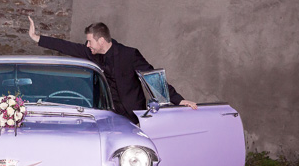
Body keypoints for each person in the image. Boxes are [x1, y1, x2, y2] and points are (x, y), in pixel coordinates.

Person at [28, 16, 197, 124]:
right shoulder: (91, 53)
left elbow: (151, 78)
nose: (87, 45)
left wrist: (179, 100)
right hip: (106, 116)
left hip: (133, 117)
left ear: (101, 40)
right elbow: (67, 47)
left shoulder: (129, 54)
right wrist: (38, 38)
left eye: (90, 42)